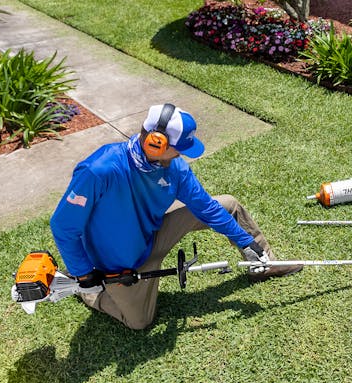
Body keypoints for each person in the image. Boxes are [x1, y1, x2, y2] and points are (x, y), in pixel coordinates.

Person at [50, 103, 301, 330]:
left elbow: (206, 207)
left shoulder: (175, 168)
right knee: (139, 322)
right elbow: (63, 227)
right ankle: (88, 292)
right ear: (155, 143)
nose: (181, 155)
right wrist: (84, 275)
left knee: (227, 205)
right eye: (178, 149)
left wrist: (246, 242)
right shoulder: (99, 170)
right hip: (121, 262)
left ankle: (264, 265)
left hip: (154, 233)